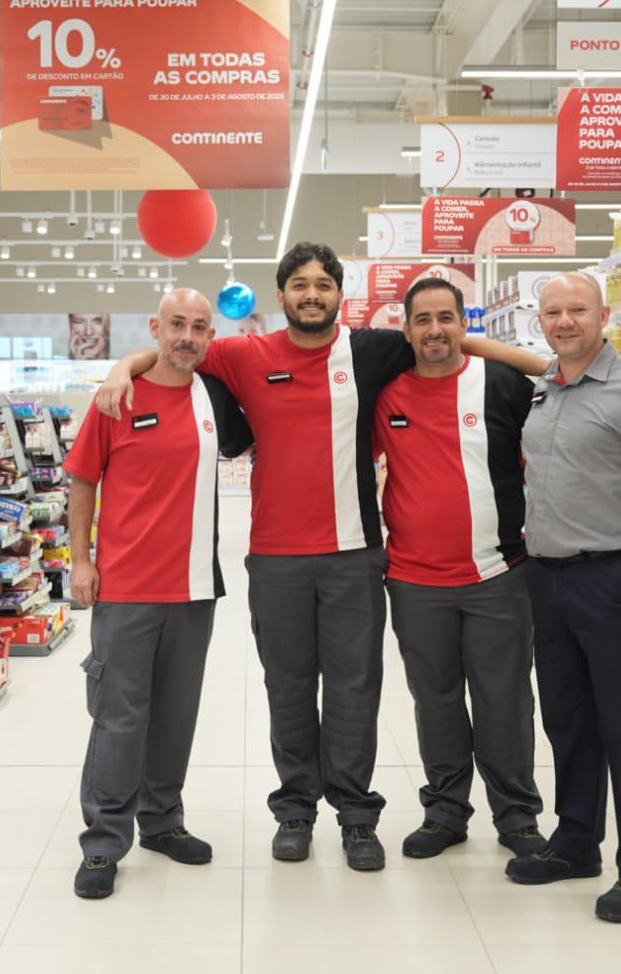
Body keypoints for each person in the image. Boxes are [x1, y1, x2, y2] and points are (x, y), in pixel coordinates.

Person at [97, 242, 548, 871]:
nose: (312, 294)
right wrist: (124, 365)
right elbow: (180, 349)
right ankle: (295, 812)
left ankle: (358, 816)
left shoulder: (371, 350)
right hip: (275, 558)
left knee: (354, 691)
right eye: (300, 284)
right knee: (287, 690)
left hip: (355, 557)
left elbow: (449, 342)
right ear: (281, 295)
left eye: (323, 285)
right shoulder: (244, 354)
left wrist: (553, 366)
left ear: (340, 294)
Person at [507, 272, 621, 925]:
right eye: (552, 312)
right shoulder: (547, 386)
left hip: (615, 581)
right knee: (568, 719)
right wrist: (464, 340)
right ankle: (576, 841)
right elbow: (520, 358)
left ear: (604, 315)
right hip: (548, 578)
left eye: (577, 310)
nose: (564, 321)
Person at [64, 288, 253, 900]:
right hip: (126, 588)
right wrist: (81, 561)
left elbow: (259, 437)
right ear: (155, 327)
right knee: (120, 717)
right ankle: (103, 843)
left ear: (210, 336)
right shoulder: (116, 398)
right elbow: (83, 482)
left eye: (199, 326)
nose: (187, 336)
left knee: (175, 714)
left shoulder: (213, 398)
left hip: (194, 588)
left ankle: (163, 821)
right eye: (176, 324)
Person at [373, 277, 545, 863]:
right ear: (406, 330)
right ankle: (445, 812)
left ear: (462, 325)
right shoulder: (387, 394)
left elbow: (557, 378)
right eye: (422, 320)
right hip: (414, 582)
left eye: (446, 318)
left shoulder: (501, 385)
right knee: (436, 701)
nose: (434, 330)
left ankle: (517, 816)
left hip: (498, 575)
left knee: (505, 701)